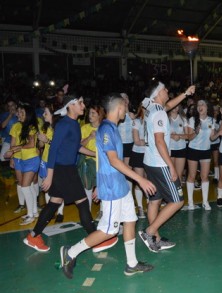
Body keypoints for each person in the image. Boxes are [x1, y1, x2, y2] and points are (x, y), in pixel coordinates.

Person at [60, 93, 156, 279]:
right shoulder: (106, 130)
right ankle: (70, 252)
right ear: (119, 108)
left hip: (119, 184)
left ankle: (132, 263)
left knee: (130, 219)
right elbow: (112, 160)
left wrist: (99, 184)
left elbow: (104, 160)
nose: (126, 109)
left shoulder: (111, 128)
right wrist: (140, 179)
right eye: (125, 106)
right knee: (108, 230)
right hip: (112, 188)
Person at [23, 96, 98, 251]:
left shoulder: (75, 124)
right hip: (63, 170)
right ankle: (95, 238)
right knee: (83, 202)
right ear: (71, 105)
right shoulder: (64, 125)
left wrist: (94, 154)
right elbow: (53, 150)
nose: (83, 105)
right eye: (80, 103)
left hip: (67, 168)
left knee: (54, 202)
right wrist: (49, 176)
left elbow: (75, 147)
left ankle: (33, 236)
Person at [139, 81, 195, 252]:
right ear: (157, 94)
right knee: (178, 201)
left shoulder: (151, 108)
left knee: (155, 200)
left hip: (149, 162)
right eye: (164, 89)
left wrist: (185, 93)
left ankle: (155, 238)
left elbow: (169, 104)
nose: (167, 90)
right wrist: (171, 166)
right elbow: (159, 141)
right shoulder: (160, 114)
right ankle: (149, 232)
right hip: (160, 163)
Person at [8, 103, 40, 225]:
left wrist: (17, 147)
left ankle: (30, 215)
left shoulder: (31, 127)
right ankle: (34, 211)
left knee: (26, 186)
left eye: (22, 113)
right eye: (19, 112)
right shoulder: (15, 126)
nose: (19, 114)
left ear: (28, 115)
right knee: (27, 186)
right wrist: (12, 155)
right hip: (20, 159)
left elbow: (31, 144)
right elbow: (12, 144)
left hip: (32, 158)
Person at [186, 99, 219, 211]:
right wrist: (196, 131)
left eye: (203, 104)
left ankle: (205, 202)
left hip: (205, 150)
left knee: (204, 177)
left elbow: (212, 138)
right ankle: (190, 202)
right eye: (198, 104)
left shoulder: (212, 120)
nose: (200, 106)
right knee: (192, 176)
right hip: (193, 150)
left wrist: (219, 133)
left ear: (207, 107)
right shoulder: (192, 120)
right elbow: (189, 137)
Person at [37, 103, 64, 223]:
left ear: (53, 114)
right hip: (45, 160)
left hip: (56, 161)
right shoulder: (46, 127)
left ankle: (60, 212)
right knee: (46, 187)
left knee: (58, 186)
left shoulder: (60, 128)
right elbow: (41, 145)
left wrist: (46, 140)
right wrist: (41, 140)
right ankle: (50, 210)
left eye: (46, 112)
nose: (43, 115)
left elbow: (61, 146)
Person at [129, 103, 147, 218]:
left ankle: (150, 204)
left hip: (149, 154)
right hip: (138, 154)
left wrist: (144, 141)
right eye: (145, 107)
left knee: (149, 180)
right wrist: (148, 142)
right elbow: (136, 141)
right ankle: (140, 207)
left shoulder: (152, 121)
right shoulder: (137, 121)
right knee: (140, 181)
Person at [169, 104, 189, 183]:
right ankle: (171, 194)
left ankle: (178, 194)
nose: (175, 107)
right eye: (174, 105)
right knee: (171, 175)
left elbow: (187, 136)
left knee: (179, 175)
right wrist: (171, 136)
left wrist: (179, 136)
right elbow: (161, 134)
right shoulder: (165, 118)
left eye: (177, 105)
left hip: (181, 148)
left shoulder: (183, 119)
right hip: (169, 149)